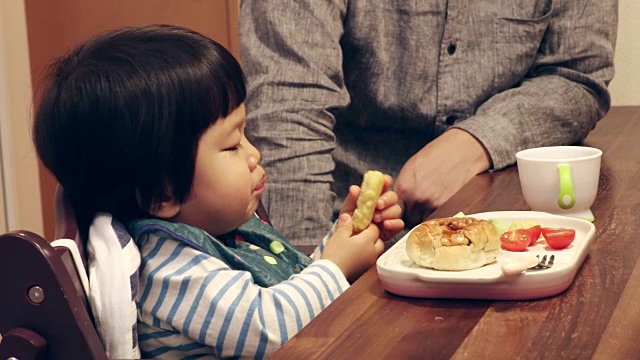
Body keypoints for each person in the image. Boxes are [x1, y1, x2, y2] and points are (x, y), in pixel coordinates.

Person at [32, 24, 404, 359]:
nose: (254, 153)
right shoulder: (170, 270)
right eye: (231, 146)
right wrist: (336, 265)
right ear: (163, 195)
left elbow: (289, 286)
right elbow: (272, 327)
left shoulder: (219, 230)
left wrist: (344, 239)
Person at [239, 1, 618, 246]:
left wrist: (473, 143)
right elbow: (288, 106)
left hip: (516, 220)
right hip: (341, 223)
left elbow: (577, 74)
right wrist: (304, 269)